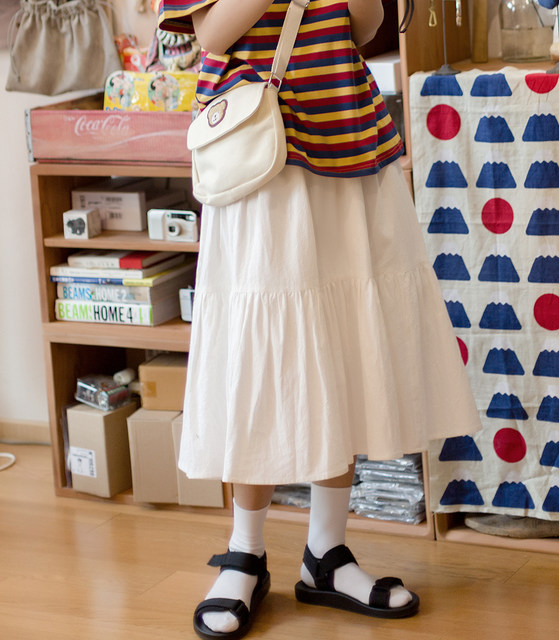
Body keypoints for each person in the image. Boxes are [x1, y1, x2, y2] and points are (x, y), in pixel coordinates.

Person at [157, 1, 482, 638]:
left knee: (346, 342)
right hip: (258, 151)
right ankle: (244, 551)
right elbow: (211, 35)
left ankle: (326, 553)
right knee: (258, 353)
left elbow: (364, 26)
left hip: (347, 137)